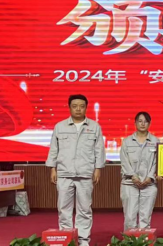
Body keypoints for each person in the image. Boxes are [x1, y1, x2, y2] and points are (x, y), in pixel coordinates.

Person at [46, 94, 106, 246]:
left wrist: (98, 169)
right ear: (69, 108)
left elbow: (99, 149)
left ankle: (83, 240)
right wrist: (52, 168)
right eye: (74, 106)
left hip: (85, 173)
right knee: (63, 208)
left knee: (84, 209)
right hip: (64, 173)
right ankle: (67, 238)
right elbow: (54, 149)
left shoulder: (94, 127)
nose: (78, 109)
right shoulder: (60, 126)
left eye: (81, 106)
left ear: (86, 108)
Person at [120, 111, 159, 231]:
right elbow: (124, 161)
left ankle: (144, 239)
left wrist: (150, 177)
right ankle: (129, 240)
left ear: (149, 124)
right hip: (129, 183)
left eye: (146, 121)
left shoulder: (156, 141)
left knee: (145, 217)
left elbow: (157, 162)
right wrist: (133, 176)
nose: (143, 124)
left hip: (149, 184)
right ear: (135, 123)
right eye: (140, 121)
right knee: (130, 216)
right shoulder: (127, 141)